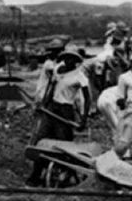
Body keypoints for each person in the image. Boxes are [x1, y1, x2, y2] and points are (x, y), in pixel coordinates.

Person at [27, 44, 90, 185]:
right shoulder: (57, 70)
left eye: (72, 59)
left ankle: (66, 174)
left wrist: (83, 119)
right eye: (67, 58)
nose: (69, 61)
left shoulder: (80, 76)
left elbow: (87, 98)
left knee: (62, 145)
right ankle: (35, 176)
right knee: (42, 141)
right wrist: (43, 105)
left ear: (76, 61)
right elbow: (51, 88)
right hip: (51, 109)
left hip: (65, 111)